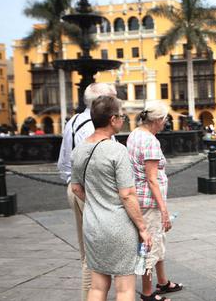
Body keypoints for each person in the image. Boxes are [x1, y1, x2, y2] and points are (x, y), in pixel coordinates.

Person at [70, 95, 152, 301]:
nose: (123, 120)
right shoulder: (117, 150)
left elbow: (76, 188)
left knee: (97, 286)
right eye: (122, 116)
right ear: (113, 119)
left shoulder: (79, 150)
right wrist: (142, 228)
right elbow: (127, 194)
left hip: (93, 225)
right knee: (124, 288)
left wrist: (97, 203)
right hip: (118, 227)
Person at [57, 82, 117, 301]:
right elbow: (97, 166)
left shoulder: (73, 121)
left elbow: (63, 163)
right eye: (114, 98)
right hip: (90, 192)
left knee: (87, 252)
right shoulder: (92, 127)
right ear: (101, 102)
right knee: (93, 257)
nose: (118, 103)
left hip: (75, 188)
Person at [127, 101, 183, 301]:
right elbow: (152, 179)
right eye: (165, 119)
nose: (166, 122)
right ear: (157, 120)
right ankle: (149, 293)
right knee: (149, 247)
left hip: (139, 198)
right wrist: (164, 211)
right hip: (149, 202)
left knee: (157, 241)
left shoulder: (135, 134)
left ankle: (163, 281)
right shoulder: (150, 141)